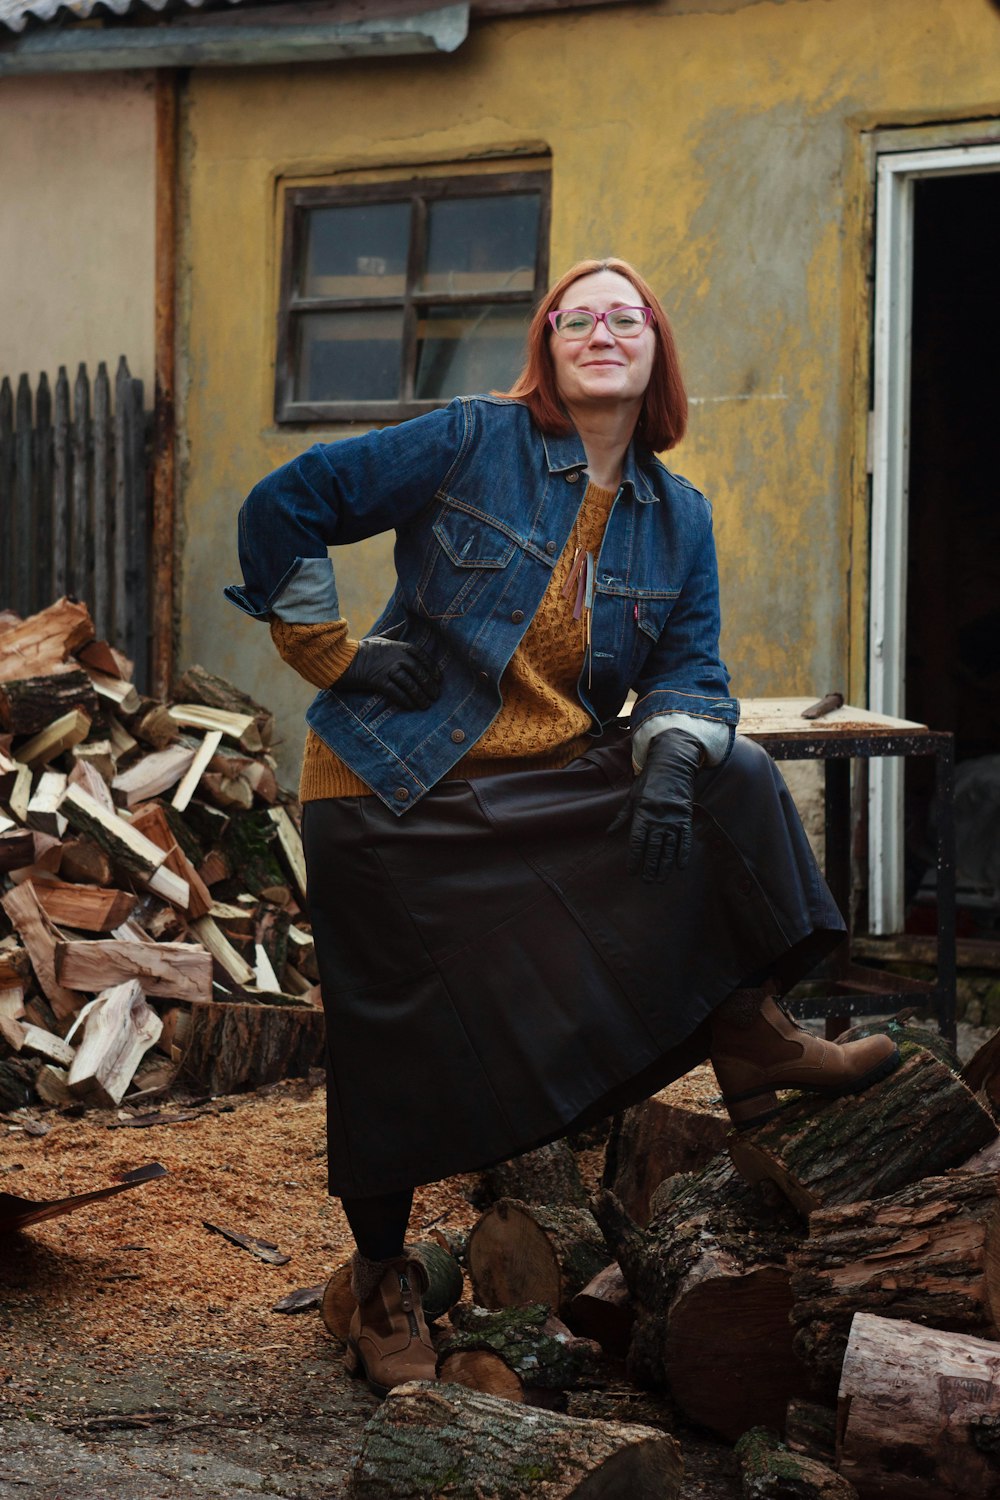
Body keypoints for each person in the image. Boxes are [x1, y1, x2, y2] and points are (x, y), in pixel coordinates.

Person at [226, 257, 899, 1397]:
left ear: (653, 351)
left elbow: (692, 674)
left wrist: (675, 753)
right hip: (393, 787)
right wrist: (324, 651)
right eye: (574, 315)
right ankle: (385, 1281)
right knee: (399, 1049)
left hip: (540, 780)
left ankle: (747, 1024)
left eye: (622, 316)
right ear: (548, 346)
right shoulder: (468, 438)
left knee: (730, 771)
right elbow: (286, 503)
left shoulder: (676, 517)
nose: (598, 329)